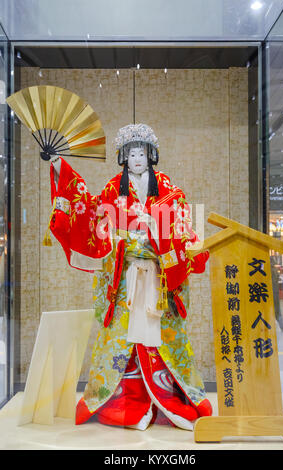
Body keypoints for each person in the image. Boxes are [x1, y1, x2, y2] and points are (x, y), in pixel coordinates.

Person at [46, 123, 212, 431]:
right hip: (125, 278)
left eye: (142, 153)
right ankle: (124, 401)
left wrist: (159, 232)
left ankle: (175, 399)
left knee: (165, 337)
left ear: (151, 156)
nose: (137, 159)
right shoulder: (112, 189)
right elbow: (87, 209)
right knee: (121, 339)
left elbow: (183, 225)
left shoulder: (167, 188)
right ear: (124, 157)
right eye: (132, 153)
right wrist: (59, 167)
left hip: (157, 277)